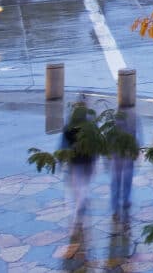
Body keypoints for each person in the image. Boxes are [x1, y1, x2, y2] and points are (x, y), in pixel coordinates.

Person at [62, 97, 97, 230]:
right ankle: (81, 204)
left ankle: (79, 205)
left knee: (76, 185)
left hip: (75, 160)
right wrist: (95, 159)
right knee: (83, 184)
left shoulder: (69, 125)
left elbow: (64, 143)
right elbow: (95, 144)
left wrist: (62, 159)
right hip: (87, 159)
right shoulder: (90, 125)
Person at [109, 103, 138, 219]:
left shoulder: (113, 125)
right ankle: (125, 201)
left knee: (115, 182)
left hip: (116, 157)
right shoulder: (130, 124)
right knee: (126, 180)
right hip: (127, 157)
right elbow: (134, 139)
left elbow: (109, 141)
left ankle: (115, 207)